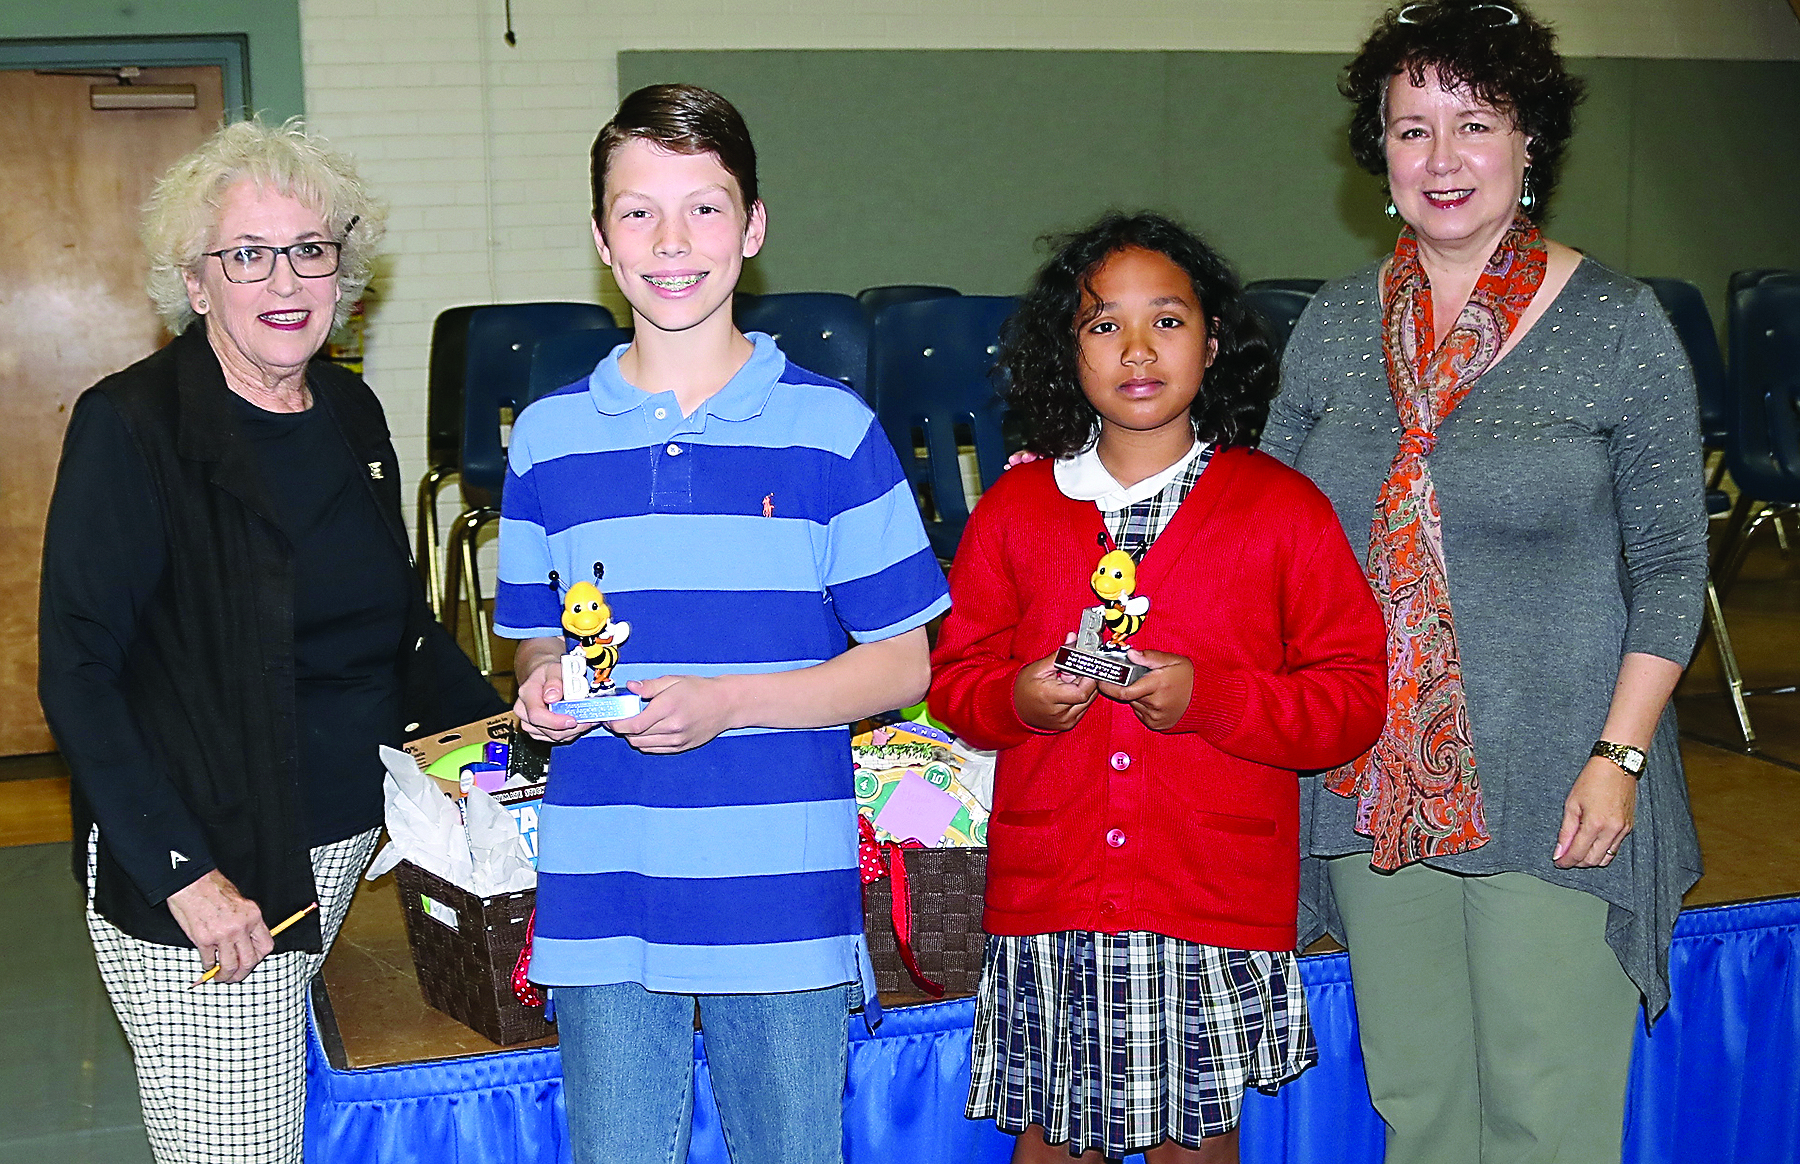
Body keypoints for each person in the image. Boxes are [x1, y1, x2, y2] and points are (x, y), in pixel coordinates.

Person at [1261, 0, 1707, 1164]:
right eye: (1414, 128)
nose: (1443, 157)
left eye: (1475, 122)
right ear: (1382, 155)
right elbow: (1268, 537)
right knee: (1422, 1110)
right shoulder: (1335, 323)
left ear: (1528, 141)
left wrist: (1617, 758)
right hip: (1371, 781)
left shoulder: (1619, 325)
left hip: (1560, 782)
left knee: (1544, 1120)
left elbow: (1670, 565)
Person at [37, 118, 505, 1164]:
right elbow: (77, 673)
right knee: (236, 1148)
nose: (283, 279)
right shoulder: (133, 427)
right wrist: (185, 875)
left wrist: (512, 747)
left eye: (310, 249)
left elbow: (403, 633)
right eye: (246, 255)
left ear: (345, 270)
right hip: (211, 864)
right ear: (195, 285)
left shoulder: (347, 407)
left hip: (339, 841)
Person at [496, 84, 948, 1164]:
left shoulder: (833, 431)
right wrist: (540, 683)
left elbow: (902, 663)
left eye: (703, 209)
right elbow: (533, 634)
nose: (671, 242)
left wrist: (727, 706)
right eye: (638, 212)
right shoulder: (548, 441)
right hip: (604, 890)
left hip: (780, 892)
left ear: (752, 228)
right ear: (601, 239)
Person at [929, 212, 1388, 1163]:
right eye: (1104, 324)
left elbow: (1351, 698)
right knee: (1056, 1140)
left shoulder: (1279, 508)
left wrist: (1211, 699)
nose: (1137, 348)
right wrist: (1021, 698)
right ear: (1069, 351)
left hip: (1209, 892)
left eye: (1167, 321)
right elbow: (956, 685)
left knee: (1195, 1143)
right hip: (1055, 896)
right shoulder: (1016, 509)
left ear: (1214, 344)